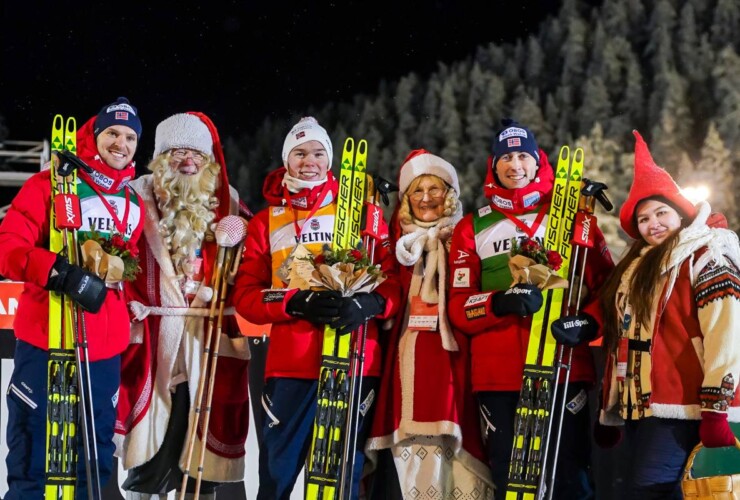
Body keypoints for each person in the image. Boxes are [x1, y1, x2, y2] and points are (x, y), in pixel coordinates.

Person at [231, 116, 401, 500]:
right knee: (278, 470)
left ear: (330, 160)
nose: (310, 161)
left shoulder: (360, 214)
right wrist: (293, 301)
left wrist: (370, 304)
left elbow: (393, 280)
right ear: (286, 161)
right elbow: (245, 295)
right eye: (300, 152)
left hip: (355, 355)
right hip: (292, 362)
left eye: (319, 153)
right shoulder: (266, 221)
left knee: (343, 472)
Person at [447, 119, 614, 498]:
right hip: (498, 377)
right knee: (511, 480)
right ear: (494, 166)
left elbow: (609, 287)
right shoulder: (472, 227)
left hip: (563, 368)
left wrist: (588, 323)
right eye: (506, 157)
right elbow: (458, 308)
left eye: (523, 155)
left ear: (538, 162)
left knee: (570, 477)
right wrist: (498, 302)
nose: (515, 164)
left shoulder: (573, 218)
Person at [0, 96, 145, 499]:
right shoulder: (48, 184)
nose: (121, 143)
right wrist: (56, 271)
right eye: (113, 133)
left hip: (102, 347)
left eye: (130, 136)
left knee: (93, 456)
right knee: (32, 445)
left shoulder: (133, 202)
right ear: (95, 135)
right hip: (47, 337)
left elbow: (127, 267)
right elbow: (7, 245)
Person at [114, 112, 252, 500]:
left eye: (195, 153)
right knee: (150, 448)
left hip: (206, 341)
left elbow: (256, 266)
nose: (187, 161)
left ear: (208, 162)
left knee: (201, 446)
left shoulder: (231, 210)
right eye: (175, 152)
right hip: (151, 339)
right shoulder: (131, 202)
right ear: (158, 158)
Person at [595, 130, 740, 498]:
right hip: (641, 407)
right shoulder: (635, 269)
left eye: (661, 212)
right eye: (643, 219)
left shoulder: (707, 256)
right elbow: (624, 340)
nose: (653, 224)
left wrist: (716, 409)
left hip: (685, 406)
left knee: (649, 491)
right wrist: (610, 406)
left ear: (681, 212)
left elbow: (727, 331)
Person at [365, 149, 494, 499]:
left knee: (459, 434)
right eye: (416, 191)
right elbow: (387, 286)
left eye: (435, 189)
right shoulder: (397, 245)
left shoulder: (467, 237)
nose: (425, 199)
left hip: (454, 355)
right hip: (405, 357)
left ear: (450, 193)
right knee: (409, 443)